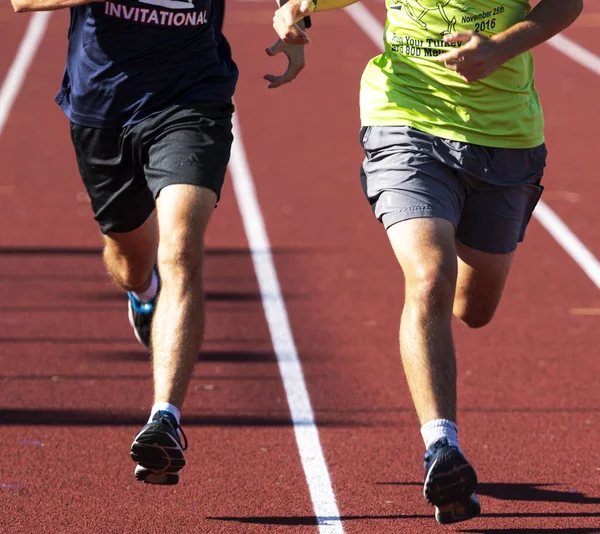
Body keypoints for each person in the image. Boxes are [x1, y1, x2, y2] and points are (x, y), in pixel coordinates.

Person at [271, 0, 583, 524]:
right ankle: (442, 447)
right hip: (405, 123)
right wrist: (294, 10)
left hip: (504, 139)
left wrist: (504, 47)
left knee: (473, 306)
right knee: (429, 276)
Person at [12, 0, 305, 485]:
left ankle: (164, 419)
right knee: (131, 260)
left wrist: (296, 14)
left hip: (191, 98)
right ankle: (143, 292)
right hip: (102, 108)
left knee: (182, 249)